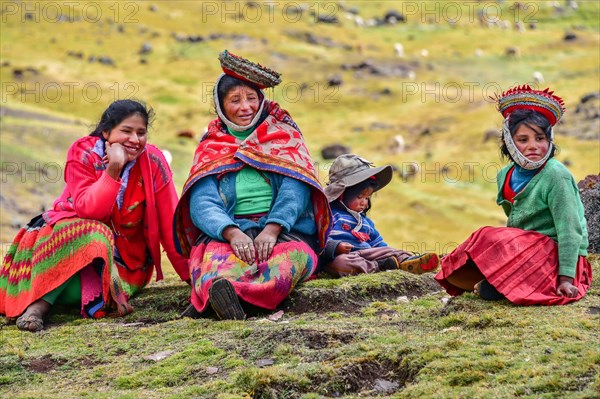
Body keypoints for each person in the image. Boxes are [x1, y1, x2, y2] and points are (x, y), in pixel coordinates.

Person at [0, 99, 189, 331]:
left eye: (141, 133)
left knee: (91, 251)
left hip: (124, 267)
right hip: (67, 248)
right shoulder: (83, 153)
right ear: (106, 132)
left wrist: (193, 278)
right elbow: (89, 211)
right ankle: (37, 308)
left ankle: (41, 299)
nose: (135, 139)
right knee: (93, 230)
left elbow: (171, 224)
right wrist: (113, 170)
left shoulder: (154, 162)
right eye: (126, 131)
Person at [173, 50, 331, 320]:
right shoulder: (210, 146)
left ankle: (239, 300)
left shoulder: (285, 136)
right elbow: (202, 201)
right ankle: (226, 295)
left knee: (287, 261)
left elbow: (296, 190)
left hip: (284, 233)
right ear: (221, 106)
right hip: (227, 234)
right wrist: (232, 233)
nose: (245, 107)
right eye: (235, 100)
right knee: (215, 264)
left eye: (251, 99)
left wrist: (272, 230)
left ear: (262, 102)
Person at [435, 85, 592, 305]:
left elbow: (570, 230)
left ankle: (494, 284)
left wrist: (565, 278)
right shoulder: (504, 175)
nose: (533, 146)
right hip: (525, 249)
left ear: (550, 140)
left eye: (540, 138)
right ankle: (489, 279)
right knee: (486, 235)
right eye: (523, 139)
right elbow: (515, 225)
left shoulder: (556, 175)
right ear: (509, 141)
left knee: (491, 254)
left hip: (558, 255)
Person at [321, 154, 440, 276]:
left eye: (367, 198)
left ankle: (410, 262)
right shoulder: (330, 215)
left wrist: (387, 251)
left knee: (391, 251)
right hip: (344, 256)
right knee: (341, 264)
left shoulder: (366, 222)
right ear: (341, 194)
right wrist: (336, 246)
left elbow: (378, 243)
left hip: (368, 253)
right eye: (359, 196)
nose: (364, 202)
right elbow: (320, 241)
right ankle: (382, 266)